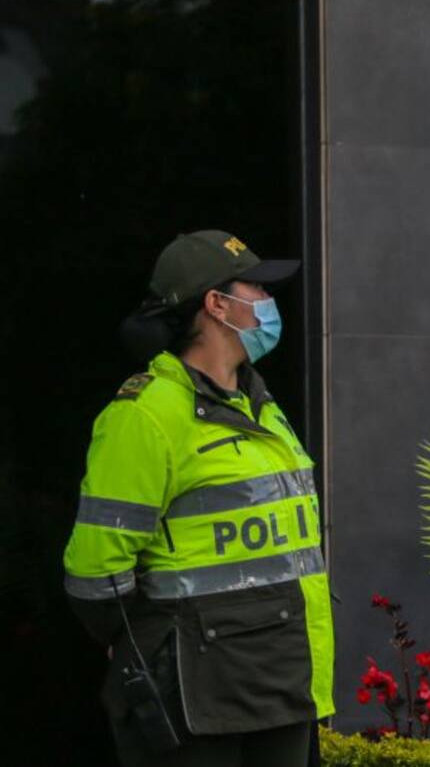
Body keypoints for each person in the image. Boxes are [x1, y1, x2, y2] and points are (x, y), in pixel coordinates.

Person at [63, 230, 333, 766]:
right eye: (256, 288)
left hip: (281, 682)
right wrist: (147, 641)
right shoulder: (145, 416)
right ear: (216, 304)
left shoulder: (260, 405)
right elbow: (96, 575)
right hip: (197, 697)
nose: (270, 302)